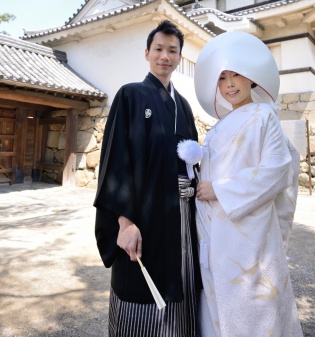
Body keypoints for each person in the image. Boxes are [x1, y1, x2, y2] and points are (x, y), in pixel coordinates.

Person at [94, 20, 202, 337]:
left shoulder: (183, 106)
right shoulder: (130, 95)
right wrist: (124, 223)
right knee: (140, 289)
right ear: (147, 53)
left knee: (180, 287)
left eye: (172, 50)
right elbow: (115, 161)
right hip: (142, 215)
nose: (165, 56)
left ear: (180, 57)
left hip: (181, 216)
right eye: (159, 49)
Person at [193, 31, 303, 337]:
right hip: (216, 229)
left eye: (236, 75)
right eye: (222, 77)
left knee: (255, 308)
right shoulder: (217, 128)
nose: (229, 84)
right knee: (219, 307)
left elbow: (278, 170)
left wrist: (221, 189)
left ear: (251, 78)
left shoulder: (264, 116)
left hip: (250, 231)